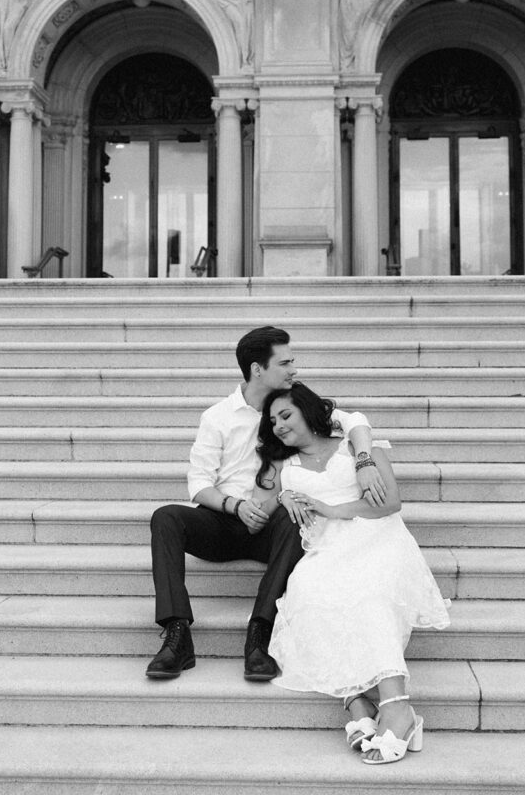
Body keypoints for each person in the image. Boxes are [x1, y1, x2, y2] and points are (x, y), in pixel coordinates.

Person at [147, 326, 386, 683]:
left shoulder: (294, 406)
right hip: (224, 519)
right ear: (258, 369)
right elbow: (198, 484)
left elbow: (356, 421)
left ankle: (260, 635)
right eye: (285, 362)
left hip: (275, 522)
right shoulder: (218, 417)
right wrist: (234, 506)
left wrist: (365, 461)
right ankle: (177, 634)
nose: (294, 369)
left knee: (295, 518)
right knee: (165, 517)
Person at [253, 382, 451, 765]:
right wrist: (281, 497)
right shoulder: (283, 467)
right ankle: (358, 703)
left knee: (367, 592)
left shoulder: (357, 446)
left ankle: (397, 706)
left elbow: (390, 503)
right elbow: (257, 510)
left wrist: (330, 509)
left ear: (308, 411)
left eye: (285, 415)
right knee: (309, 593)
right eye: (272, 420)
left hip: (378, 537)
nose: (278, 425)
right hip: (326, 550)